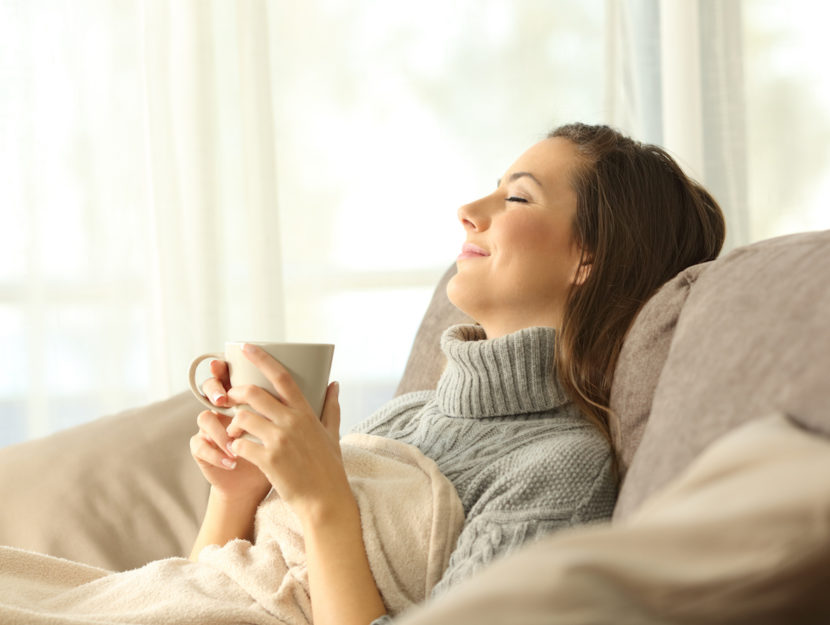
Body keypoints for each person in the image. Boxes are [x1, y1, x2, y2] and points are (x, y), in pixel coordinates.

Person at [190, 122, 726, 625]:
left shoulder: (560, 470)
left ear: (589, 256)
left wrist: (322, 500)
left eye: (516, 197)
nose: (468, 210)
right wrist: (237, 493)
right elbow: (200, 590)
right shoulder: (407, 414)